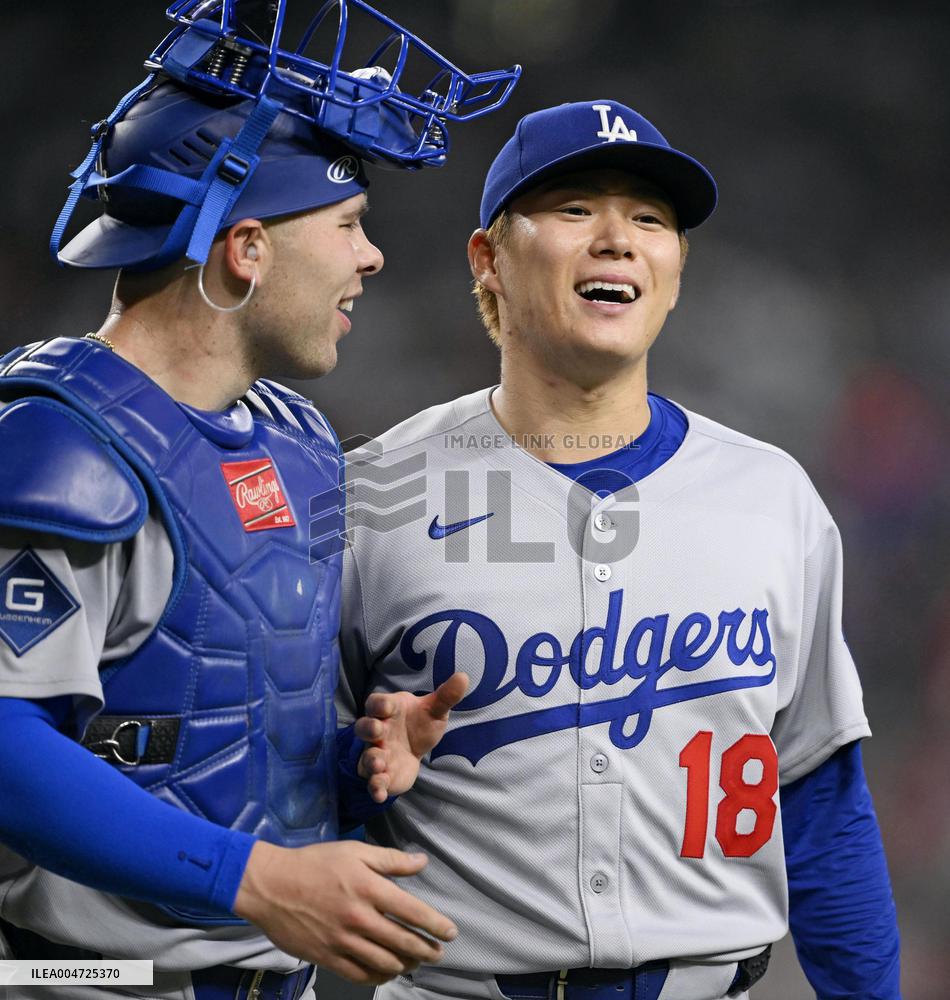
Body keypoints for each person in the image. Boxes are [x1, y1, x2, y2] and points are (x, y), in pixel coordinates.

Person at [0, 3, 519, 998]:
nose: (369, 258)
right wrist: (257, 879)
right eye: (347, 224)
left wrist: (354, 760)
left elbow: (205, 728)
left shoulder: (295, 441)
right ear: (245, 247)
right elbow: (6, 744)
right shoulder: (56, 447)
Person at [339, 100, 902, 1000]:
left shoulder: (772, 496)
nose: (618, 238)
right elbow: (281, 800)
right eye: (572, 210)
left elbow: (823, 807)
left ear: (676, 272)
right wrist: (359, 770)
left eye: (649, 219)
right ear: (488, 259)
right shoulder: (370, 495)